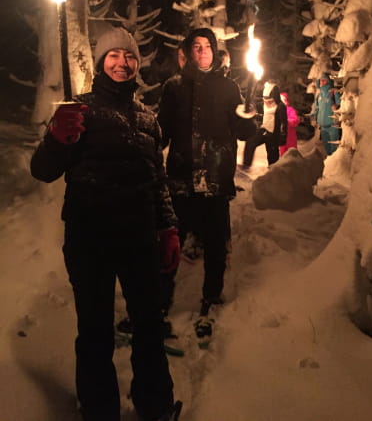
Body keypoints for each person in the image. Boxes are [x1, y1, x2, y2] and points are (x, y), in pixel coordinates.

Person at [30, 26, 181, 421]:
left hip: (139, 238)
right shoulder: (77, 110)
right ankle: (99, 410)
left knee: (148, 325)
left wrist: (167, 227)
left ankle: (156, 405)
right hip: (90, 238)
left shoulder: (148, 120)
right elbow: (43, 170)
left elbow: (157, 180)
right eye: (114, 56)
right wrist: (57, 139)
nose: (123, 62)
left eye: (129, 56)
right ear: (100, 62)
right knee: (95, 331)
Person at [157, 27, 256, 337]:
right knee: (169, 242)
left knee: (215, 244)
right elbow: (162, 134)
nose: (202, 52)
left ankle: (211, 298)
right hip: (181, 180)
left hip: (214, 179)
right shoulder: (173, 88)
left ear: (215, 51)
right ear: (188, 51)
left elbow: (244, 133)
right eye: (196, 47)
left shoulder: (229, 88)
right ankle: (158, 302)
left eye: (207, 47)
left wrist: (248, 116)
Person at [242, 80, 288, 167]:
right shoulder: (264, 104)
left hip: (273, 133)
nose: (267, 102)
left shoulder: (280, 106)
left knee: (272, 154)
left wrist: (283, 137)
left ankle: (273, 170)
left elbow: (283, 122)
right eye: (265, 100)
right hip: (264, 129)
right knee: (251, 142)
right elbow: (258, 110)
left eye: (269, 100)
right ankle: (246, 164)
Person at [310, 73, 341, 155]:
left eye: (324, 80)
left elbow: (340, 104)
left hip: (333, 125)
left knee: (334, 150)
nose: (321, 82)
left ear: (328, 82)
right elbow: (316, 108)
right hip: (323, 126)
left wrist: (336, 106)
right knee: (327, 149)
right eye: (320, 80)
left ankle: (335, 167)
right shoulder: (319, 95)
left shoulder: (333, 92)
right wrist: (313, 117)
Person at [279, 91, 300, 156]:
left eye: (283, 100)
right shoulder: (278, 110)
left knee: (291, 154)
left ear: (286, 101)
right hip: (281, 136)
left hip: (290, 136)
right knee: (283, 154)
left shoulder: (290, 110)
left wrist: (287, 121)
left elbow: (295, 120)